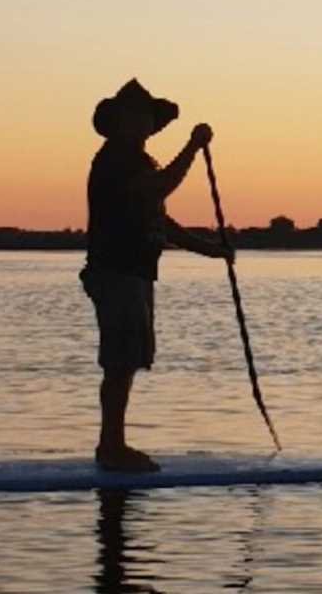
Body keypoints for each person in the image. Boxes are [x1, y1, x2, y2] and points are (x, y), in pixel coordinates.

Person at [80, 79, 234, 472]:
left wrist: (212, 251)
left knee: (129, 359)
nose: (140, 123)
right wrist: (194, 148)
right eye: (132, 116)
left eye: (145, 117)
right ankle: (111, 446)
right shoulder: (116, 159)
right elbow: (162, 189)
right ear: (117, 122)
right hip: (115, 271)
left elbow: (161, 222)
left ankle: (113, 443)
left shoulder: (139, 161)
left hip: (135, 272)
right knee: (119, 360)